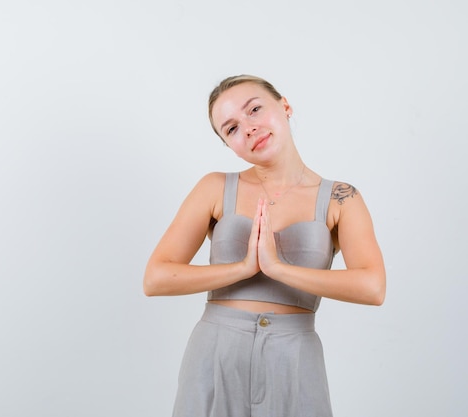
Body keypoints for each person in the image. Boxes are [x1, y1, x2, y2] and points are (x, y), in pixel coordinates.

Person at [143, 74, 386, 417]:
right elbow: (155, 278)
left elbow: (372, 287)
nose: (248, 128)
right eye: (231, 128)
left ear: (285, 106)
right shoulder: (214, 188)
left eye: (254, 109)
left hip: (296, 357)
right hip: (215, 353)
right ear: (229, 145)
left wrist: (279, 269)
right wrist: (242, 268)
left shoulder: (341, 198)